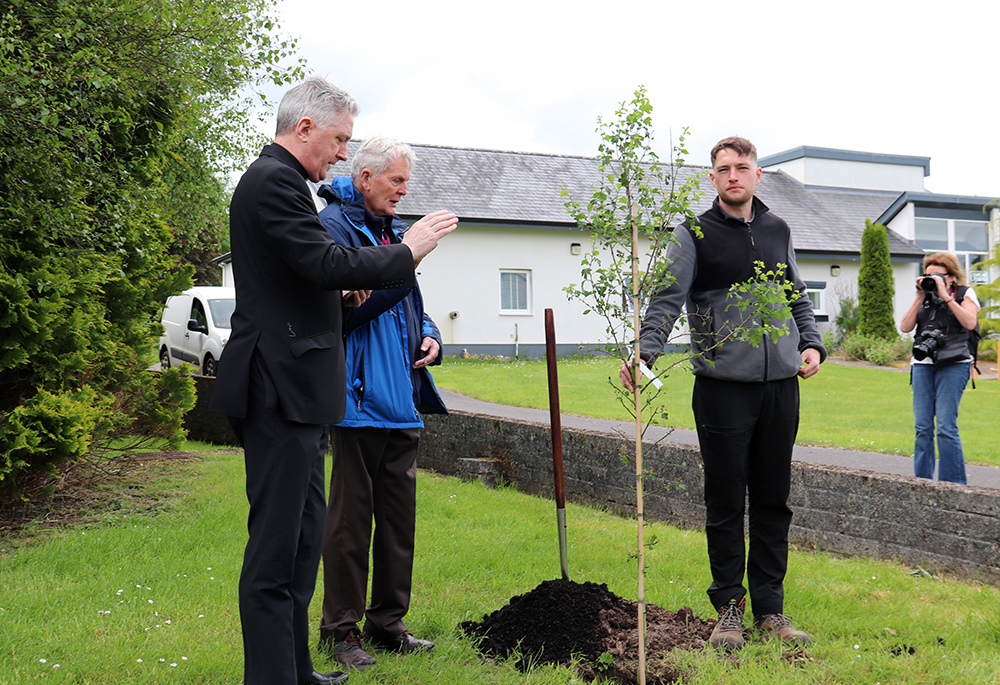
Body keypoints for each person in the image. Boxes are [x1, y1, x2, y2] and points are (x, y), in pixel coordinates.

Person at [209, 76, 457, 685]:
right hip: (277, 387)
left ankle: (296, 668)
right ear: (304, 129)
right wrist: (409, 250)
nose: (342, 153)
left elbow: (305, 278)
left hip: (297, 391)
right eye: (339, 139)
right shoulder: (274, 183)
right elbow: (321, 263)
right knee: (274, 552)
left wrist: (346, 290)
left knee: (300, 545)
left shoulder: (286, 184)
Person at [619, 136, 825, 652]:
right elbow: (666, 298)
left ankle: (771, 611)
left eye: (742, 167)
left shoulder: (778, 229)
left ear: (757, 174)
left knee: (773, 501)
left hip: (780, 387)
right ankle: (729, 610)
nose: (733, 175)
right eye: (723, 169)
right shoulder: (694, 234)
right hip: (722, 390)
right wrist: (645, 351)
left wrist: (813, 343)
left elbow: (797, 294)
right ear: (712, 178)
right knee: (727, 500)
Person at [312, 137, 448, 671]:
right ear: (365, 178)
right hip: (356, 403)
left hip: (402, 403)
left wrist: (430, 336)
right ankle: (340, 633)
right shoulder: (334, 229)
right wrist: (403, 260)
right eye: (395, 180)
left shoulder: (392, 233)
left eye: (405, 181)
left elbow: (411, 304)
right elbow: (342, 314)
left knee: (398, 524)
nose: (403, 190)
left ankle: (387, 624)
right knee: (349, 526)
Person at [899, 252, 980, 484]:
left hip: (954, 363)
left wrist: (946, 296)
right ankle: (922, 484)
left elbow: (969, 323)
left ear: (952, 276)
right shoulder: (924, 295)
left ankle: (953, 485)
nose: (932, 279)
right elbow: (905, 327)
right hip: (924, 363)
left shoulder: (966, 294)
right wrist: (918, 297)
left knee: (945, 426)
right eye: (928, 274)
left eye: (938, 275)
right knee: (922, 427)